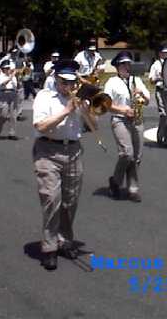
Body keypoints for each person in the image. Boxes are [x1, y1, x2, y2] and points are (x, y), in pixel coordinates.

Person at [31, 59, 96, 271]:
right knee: (51, 199)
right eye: (64, 82)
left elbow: (94, 127)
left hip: (74, 151)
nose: (68, 87)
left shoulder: (79, 100)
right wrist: (66, 111)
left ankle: (65, 240)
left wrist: (86, 110)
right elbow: (40, 126)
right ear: (56, 79)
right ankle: (49, 247)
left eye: (71, 83)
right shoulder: (44, 97)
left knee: (70, 200)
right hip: (48, 150)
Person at [104, 51, 150, 203]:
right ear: (117, 66)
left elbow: (148, 100)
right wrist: (123, 110)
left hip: (136, 120)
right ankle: (116, 182)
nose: (127, 66)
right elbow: (106, 104)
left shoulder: (137, 80)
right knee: (126, 153)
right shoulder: (112, 82)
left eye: (128, 63)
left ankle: (133, 188)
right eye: (124, 64)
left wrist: (141, 94)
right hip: (120, 120)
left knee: (137, 157)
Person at [148, 44, 167, 148]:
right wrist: (160, 78)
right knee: (164, 115)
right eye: (164, 52)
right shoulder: (156, 64)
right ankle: (160, 137)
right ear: (160, 53)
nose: (166, 54)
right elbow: (151, 80)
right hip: (161, 90)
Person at [0, 59, 18, 140]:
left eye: (8, 68)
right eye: (6, 68)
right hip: (3, 94)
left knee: (13, 115)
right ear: (2, 69)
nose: (8, 70)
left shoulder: (13, 76)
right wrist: (11, 76)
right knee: (3, 115)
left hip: (13, 94)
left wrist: (15, 77)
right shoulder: (0, 76)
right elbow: (3, 83)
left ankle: (12, 133)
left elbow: (16, 86)